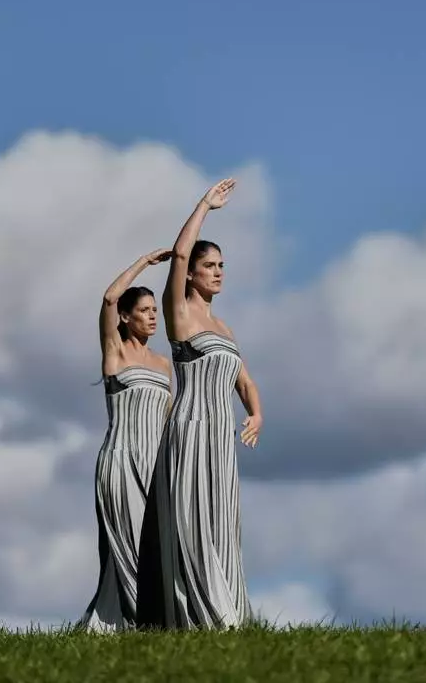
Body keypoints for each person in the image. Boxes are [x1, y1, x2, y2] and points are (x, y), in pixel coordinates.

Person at [136, 179, 264, 629]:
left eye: (222, 265)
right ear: (191, 273)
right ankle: (198, 611)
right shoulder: (180, 313)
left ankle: (228, 607)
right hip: (190, 428)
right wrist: (204, 206)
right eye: (209, 265)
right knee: (191, 518)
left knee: (221, 519)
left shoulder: (224, 328)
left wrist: (256, 413)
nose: (218, 272)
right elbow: (179, 253)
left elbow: (244, 381)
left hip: (221, 437)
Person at [77, 250, 174, 632]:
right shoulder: (115, 353)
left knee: (157, 550)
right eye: (145, 310)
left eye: (155, 310)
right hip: (121, 460)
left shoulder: (164, 365)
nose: (152, 316)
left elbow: (168, 419)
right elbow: (108, 298)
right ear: (125, 317)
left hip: (155, 466)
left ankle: (137, 624)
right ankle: (145, 626)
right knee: (130, 546)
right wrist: (145, 262)